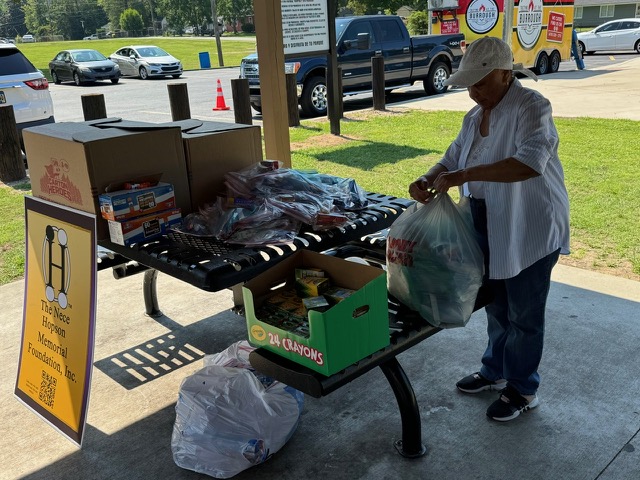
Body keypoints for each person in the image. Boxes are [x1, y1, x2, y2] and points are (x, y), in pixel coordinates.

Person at [408, 37, 570, 422]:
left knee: (524, 314)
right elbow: (451, 157)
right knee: (496, 305)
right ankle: (495, 369)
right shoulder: (473, 116)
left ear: (504, 74)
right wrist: (428, 177)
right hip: (485, 221)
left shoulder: (532, 107)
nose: (474, 92)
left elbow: (528, 163)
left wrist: (464, 175)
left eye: (480, 83)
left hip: (528, 224)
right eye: (469, 85)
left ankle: (523, 388)